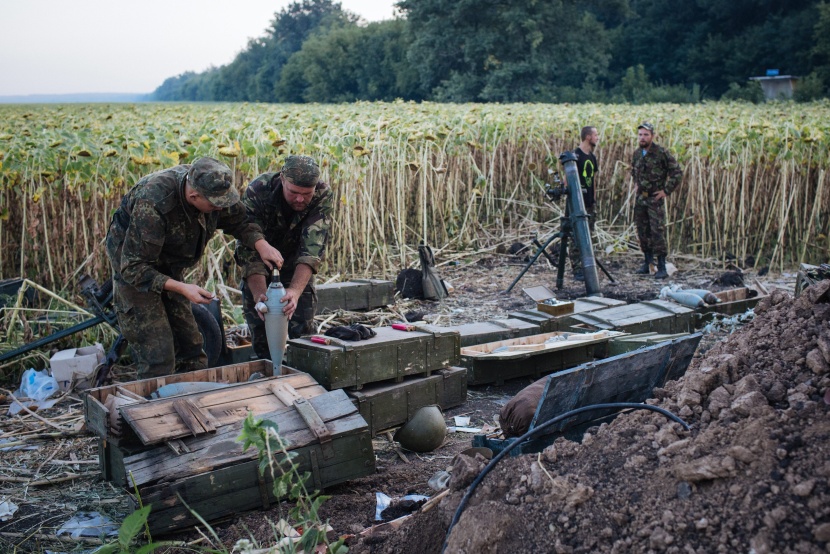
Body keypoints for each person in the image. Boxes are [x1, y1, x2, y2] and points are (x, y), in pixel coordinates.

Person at [106, 157, 283, 379]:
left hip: (170, 264)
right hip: (135, 270)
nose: (221, 208)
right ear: (193, 196)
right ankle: (156, 399)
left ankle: (193, 395)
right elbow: (133, 267)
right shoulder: (153, 201)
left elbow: (241, 221)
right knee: (158, 355)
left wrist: (261, 244)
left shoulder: (213, 187)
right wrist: (182, 288)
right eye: (215, 205)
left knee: (192, 347)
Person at [236, 155, 333, 361]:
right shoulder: (258, 191)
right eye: (293, 192)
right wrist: (260, 296)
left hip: (297, 265)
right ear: (282, 179)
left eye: (306, 194)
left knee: (304, 332)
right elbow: (247, 248)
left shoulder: (322, 194)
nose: (300, 199)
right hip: (259, 263)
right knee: (262, 331)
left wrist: (295, 292)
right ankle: (270, 369)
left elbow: (312, 248)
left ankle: (304, 372)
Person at [631, 122, 683, 279]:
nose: (642, 138)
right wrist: (636, 185)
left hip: (654, 199)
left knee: (657, 232)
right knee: (642, 231)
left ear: (652, 136)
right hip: (641, 199)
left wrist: (666, 191)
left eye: (646, 135)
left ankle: (661, 266)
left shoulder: (661, 153)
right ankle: (648, 263)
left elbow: (677, 173)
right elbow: (634, 171)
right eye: (640, 135)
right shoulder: (637, 153)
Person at [568, 126, 599, 281]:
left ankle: (588, 267)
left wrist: (593, 200)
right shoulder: (575, 156)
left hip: (589, 204)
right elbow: (568, 180)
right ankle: (577, 269)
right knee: (576, 237)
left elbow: (593, 180)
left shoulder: (592, 157)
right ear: (588, 137)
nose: (597, 138)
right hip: (577, 204)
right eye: (595, 135)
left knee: (588, 235)